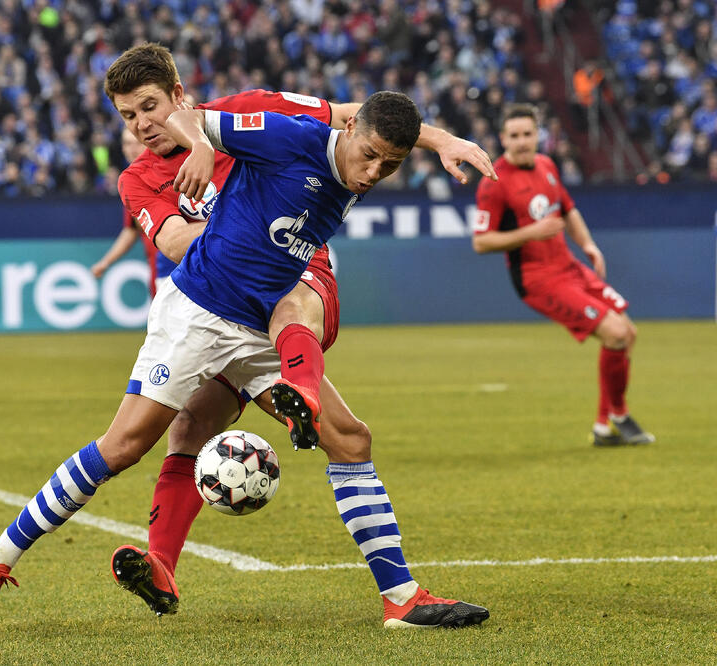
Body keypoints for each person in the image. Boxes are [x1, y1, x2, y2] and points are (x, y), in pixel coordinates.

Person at [0, 90, 490, 634]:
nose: (375, 171)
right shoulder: (283, 135)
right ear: (350, 134)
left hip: (260, 325)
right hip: (198, 313)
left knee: (351, 439)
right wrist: (204, 149)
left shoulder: (332, 136)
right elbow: (193, 125)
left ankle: (400, 598)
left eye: (390, 165)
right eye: (370, 155)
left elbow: (375, 115)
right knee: (124, 446)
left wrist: (445, 141)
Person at [96, 43, 493, 620]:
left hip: (295, 270)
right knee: (193, 424)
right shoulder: (138, 178)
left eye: (149, 108)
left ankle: (300, 391)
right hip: (218, 297)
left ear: (178, 96)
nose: (141, 125)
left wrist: (440, 139)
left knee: (297, 309)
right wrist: (228, 237)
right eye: (127, 116)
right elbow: (179, 247)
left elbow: (354, 118)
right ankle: (161, 565)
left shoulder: (253, 114)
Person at [472, 104, 653, 446]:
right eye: (514, 136)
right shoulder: (493, 183)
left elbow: (568, 210)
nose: (522, 142)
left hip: (569, 267)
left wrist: (589, 246)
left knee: (628, 333)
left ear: (539, 134)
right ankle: (618, 415)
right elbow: (482, 242)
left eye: (528, 134)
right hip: (538, 279)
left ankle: (604, 427)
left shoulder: (546, 165)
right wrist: (531, 233)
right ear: (502, 139)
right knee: (615, 333)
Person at [90, 128, 160, 296]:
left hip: (185, 271)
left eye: (137, 143)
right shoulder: (131, 181)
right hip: (158, 274)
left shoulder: (167, 173)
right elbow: (132, 229)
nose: (132, 149)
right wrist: (106, 262)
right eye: (128, 143)